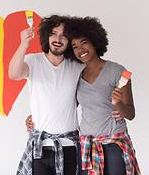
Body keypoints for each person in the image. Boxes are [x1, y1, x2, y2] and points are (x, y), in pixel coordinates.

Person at [26, 16, 140, 175]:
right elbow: (65, 104)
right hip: (86, 145)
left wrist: (118, 104)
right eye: (75, 46)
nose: (80, 49)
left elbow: (131, 114)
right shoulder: (77, 73)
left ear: (95, 41)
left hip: (114, 143)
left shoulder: (118, 71)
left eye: (84, 43)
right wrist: (37, 115)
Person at [9, 15, 85, 175]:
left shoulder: (77, 66)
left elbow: (88, 91)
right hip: (39, 147)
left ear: (70, 39)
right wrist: (24, 44)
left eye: (64, 35)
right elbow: (14, 74)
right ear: (46, 36)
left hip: (68, 147)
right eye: (53, 33)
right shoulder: (33, 61)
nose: (58, 39)